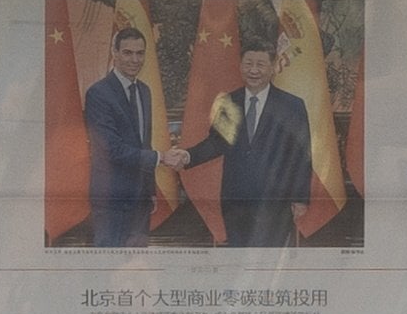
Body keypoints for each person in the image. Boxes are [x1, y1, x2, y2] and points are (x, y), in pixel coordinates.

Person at [168, 39, 312, 247]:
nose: (253, 70)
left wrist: (300, 198)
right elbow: (217, 143)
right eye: (248, 64)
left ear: (272, 67)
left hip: (275, 203)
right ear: (240, 66)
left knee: (267, 266)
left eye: (260, 65)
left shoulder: (291, 106)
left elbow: (301, 156)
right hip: (235, 202)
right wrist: (187, 155)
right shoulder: (228, 102)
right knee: (239, 262)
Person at [85, 27, 174, 247]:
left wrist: (149, 189)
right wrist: (161, 157)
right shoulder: (98, 93)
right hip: (111, 200)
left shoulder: (144, 91)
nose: (135, 59)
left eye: (140, 53)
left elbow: (143, 142)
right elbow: (111, 149)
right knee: (108, 268)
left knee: (136, 273)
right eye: (127, 53)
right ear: (114, 53)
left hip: (141, 201)